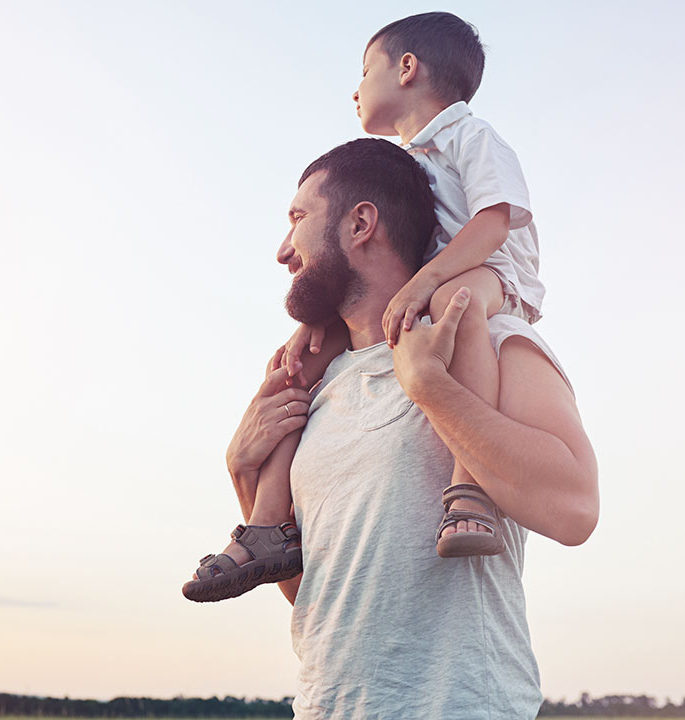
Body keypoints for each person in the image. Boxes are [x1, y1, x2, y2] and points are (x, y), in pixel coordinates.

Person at [212, 138, 597, 717]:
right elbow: (320, 598)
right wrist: (243, 475)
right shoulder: (319, 388)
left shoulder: (490, 345)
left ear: (361, 223)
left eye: (298, 219)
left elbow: (575, 510)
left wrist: (430, 388)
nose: (282, 251)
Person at [184, 12, 549, 603]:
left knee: (462, 309)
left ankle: (470, 489)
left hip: (494, 273)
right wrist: (313, 322)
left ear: (407, 69)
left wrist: (424, 283)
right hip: (433, 281)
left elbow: (494, 222)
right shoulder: (411, 163)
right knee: (294, 364)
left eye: (365, 70)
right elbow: (312, 599)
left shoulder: (470, 137)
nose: (355, 89)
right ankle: (268, 526)